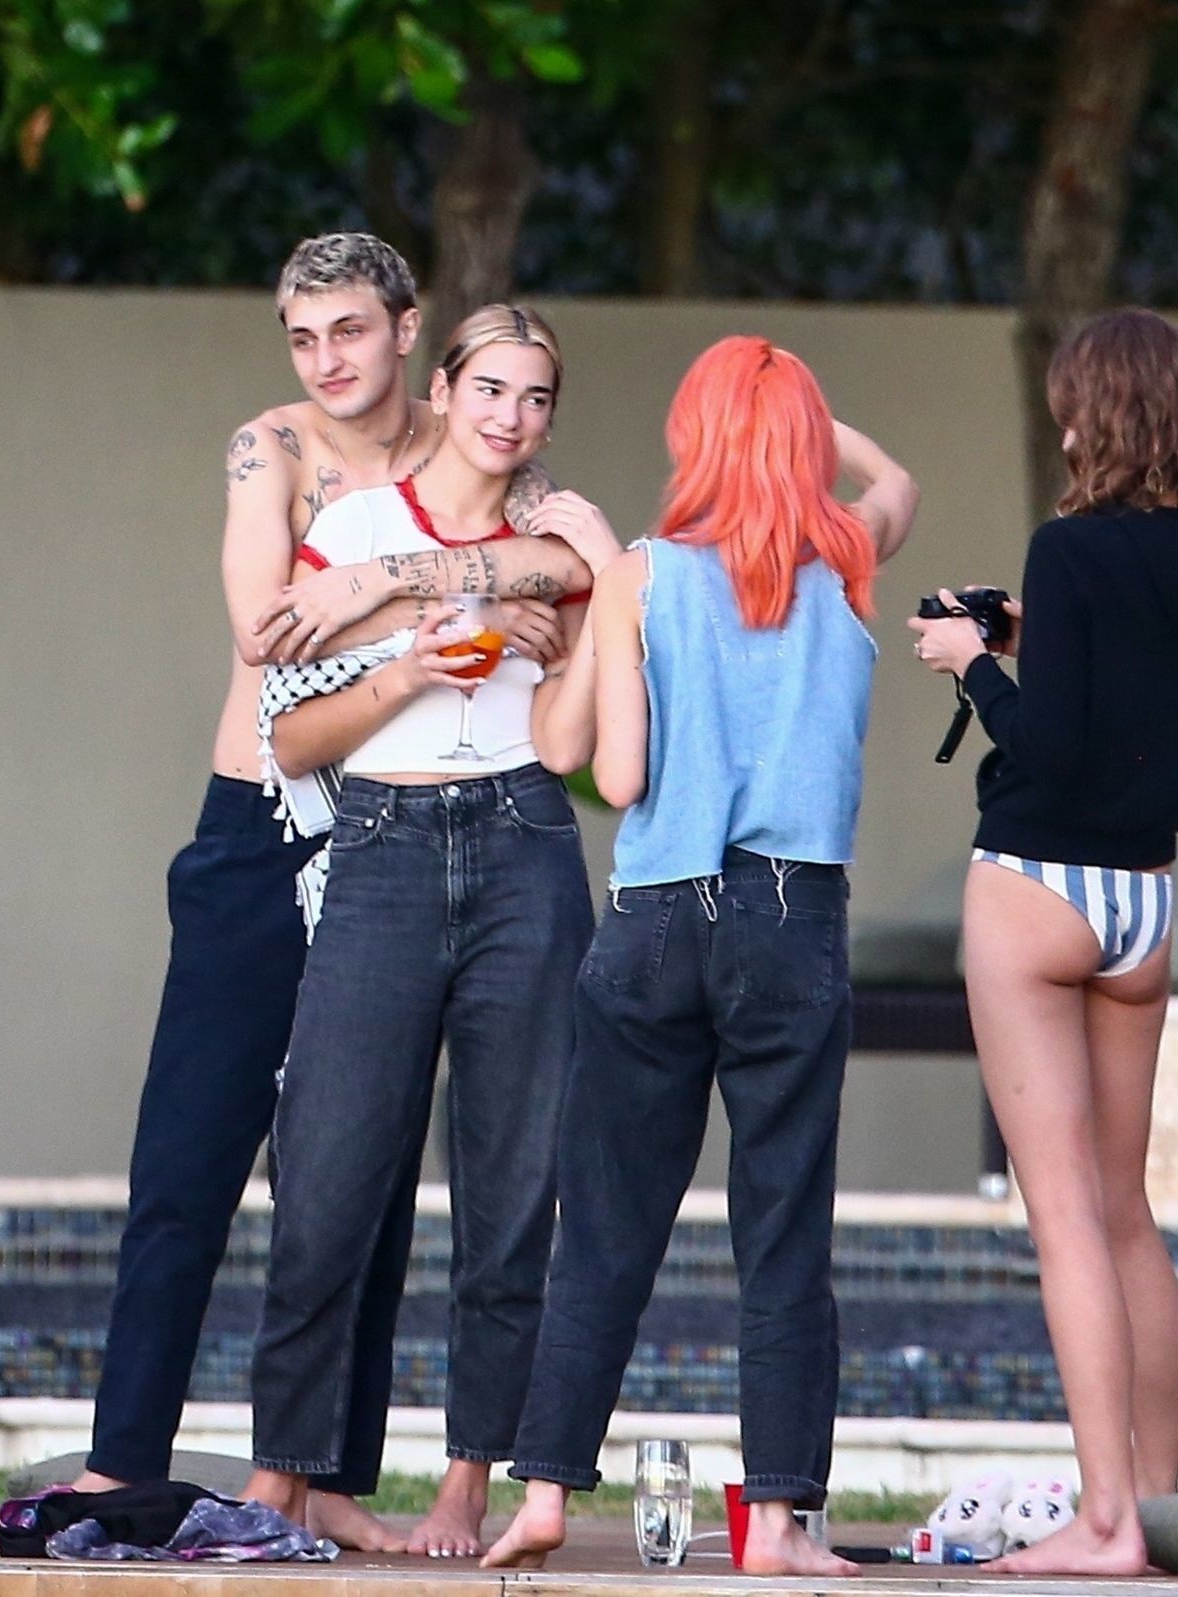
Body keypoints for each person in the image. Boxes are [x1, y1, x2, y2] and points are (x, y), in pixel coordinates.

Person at [76, 235, 584, 1560]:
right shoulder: (274, 451)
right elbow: (269, 631)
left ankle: (328, 1473)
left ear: (410, 330)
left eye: (349, 330)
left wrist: (403, 585)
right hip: (265, 820)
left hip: (407, 828)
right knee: (193, 1145)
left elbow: (563, 569)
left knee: (365, 1162)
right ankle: (121, 1454)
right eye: (302, 337)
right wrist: (443, 596)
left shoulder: (479, 433)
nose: (327, 360)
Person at [482, 335, 918, 1576]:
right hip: (794, 914)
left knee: (604, 1222)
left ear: (695, 440)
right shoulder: (846, 558)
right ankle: (775, 1520)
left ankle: (546, 1494)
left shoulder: (638, 575)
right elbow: (897, 483)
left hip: (658, 914)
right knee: (783, 1225)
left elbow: (615, 776)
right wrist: (816, 432)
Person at [238, 304, 622, 1559]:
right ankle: (281, 1477)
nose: (512, 415)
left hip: (525, 841)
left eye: (536, 397)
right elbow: (289, 737)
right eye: (491, 388)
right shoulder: (353, 534)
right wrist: (411, 665)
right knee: (325, 1170)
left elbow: (580, 706)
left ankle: (468, 1480)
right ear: (443, 390)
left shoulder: (564, 541)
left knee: (513, 1186)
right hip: (383, 844)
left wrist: (565, 625)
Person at [907, 308, 1178, 1576]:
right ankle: (1152, 1512)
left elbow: (1049, 747)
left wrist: (972, 662)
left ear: (1097, 418)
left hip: (1036, 886)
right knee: (1125, 1216)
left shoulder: (1072, 547)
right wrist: (1029, 638)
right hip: (1145, 897)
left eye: (1070, 413)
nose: (1062, 432)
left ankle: (1104, 1522)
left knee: (1061, 1219)